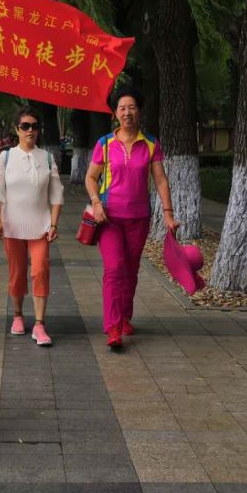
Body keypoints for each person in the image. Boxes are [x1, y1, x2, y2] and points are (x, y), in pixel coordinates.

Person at [84, 86, 179, 348]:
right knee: (114, 269)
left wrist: (168, 214)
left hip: (139, 218)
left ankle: (125, 315)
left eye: (132, 108)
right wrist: (96, 203)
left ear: (139, 111)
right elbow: (90, 177)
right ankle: (113, 327)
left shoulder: (150, 144)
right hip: (109, 219)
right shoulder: (105, 144)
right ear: (115, 113)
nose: (127, 113)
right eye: (122, 108)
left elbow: (160, 180)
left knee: (131, 270)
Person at [0, 107, 64, 346]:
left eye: (34, 126)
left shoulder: (47, 158)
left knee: (40, 270)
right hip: (12, 226)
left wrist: (54, 223)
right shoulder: (6, 158)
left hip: (40, 226)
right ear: (17, 129)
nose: (30, 130)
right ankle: (18, 316)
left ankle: (40, 324)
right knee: (17, 273)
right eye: (25, 126)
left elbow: (56, 194)